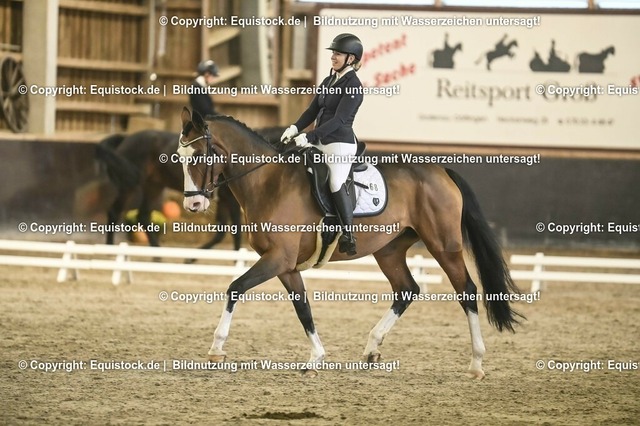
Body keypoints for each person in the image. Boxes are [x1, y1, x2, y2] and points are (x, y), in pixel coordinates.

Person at [281, 33, 364, 256]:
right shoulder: (329, 81)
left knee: (335, 181)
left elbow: (339, 120)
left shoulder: (354, 85)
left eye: (338, 54)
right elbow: (312, 111)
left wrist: (310, 136)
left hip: (340, 144)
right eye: (333, 53)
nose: (333, 57)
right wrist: (295, 128)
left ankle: (348, 234)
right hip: (320, 140)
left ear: (351, 59)